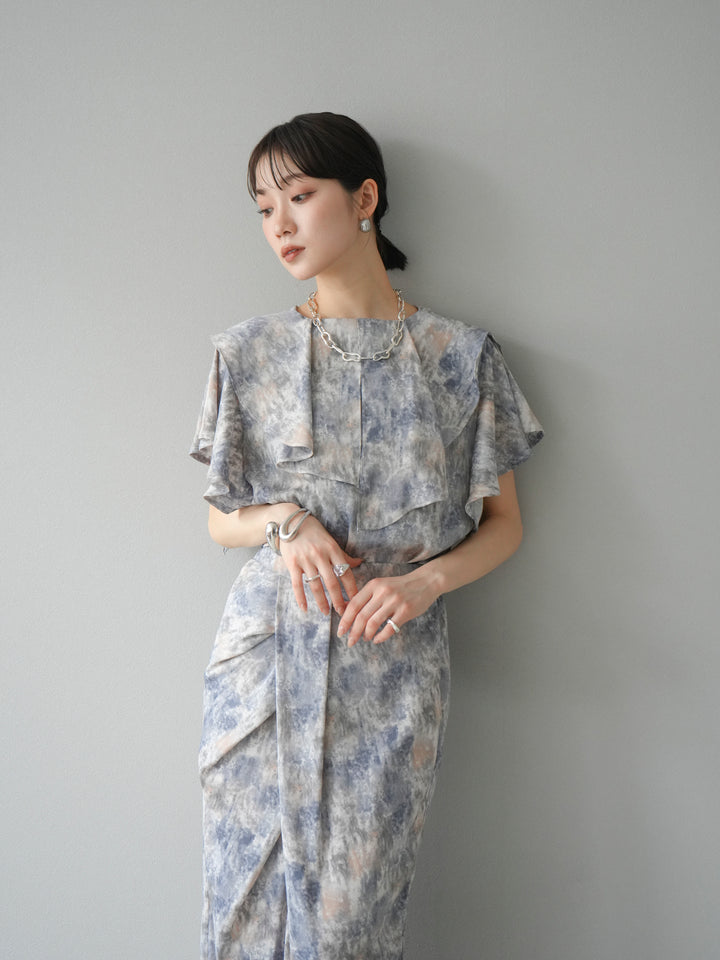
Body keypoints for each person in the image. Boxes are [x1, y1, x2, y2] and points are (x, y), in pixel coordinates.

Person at [190, 112, 543, 960]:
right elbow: (220, 520)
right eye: (263, 207)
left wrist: (426, 582)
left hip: (390, 665)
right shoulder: (250, 354)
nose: (279, 224)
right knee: (243, 914)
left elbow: (504, 527)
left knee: (355, 923)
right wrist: (287, 522)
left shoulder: (461, 358)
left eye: (299, 196)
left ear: (365, 198)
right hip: (264, 662)